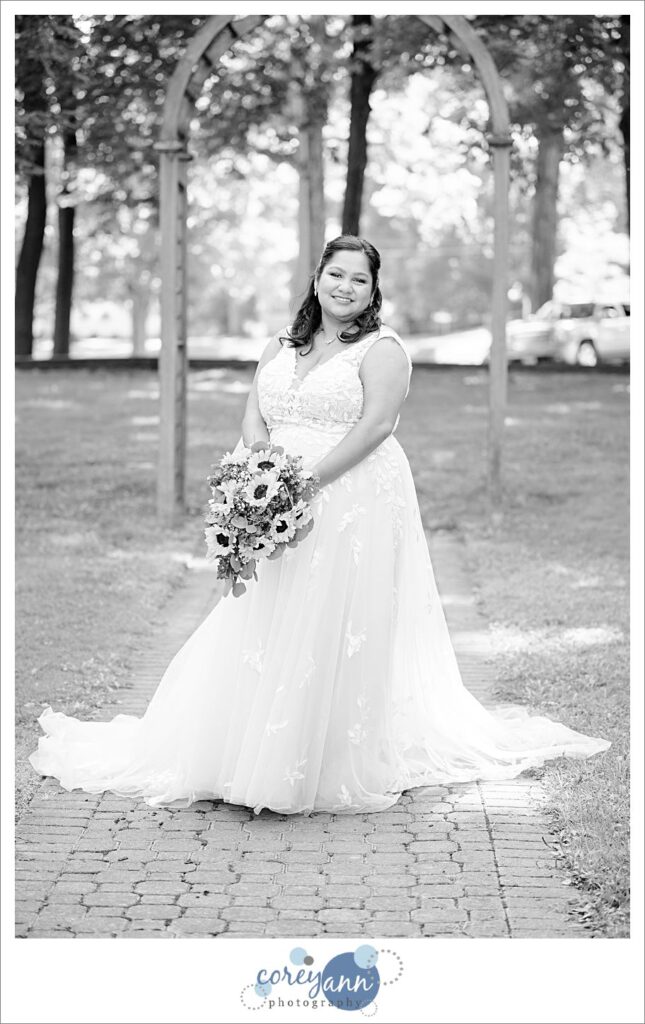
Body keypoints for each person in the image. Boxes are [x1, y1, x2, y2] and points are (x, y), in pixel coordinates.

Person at [29, 235, 611, 815]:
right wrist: (263, 468)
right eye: (336, 274)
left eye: (359, 280)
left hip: (352, 494)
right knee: (271, 610)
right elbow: (254, 408)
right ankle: (248, 743)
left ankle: (323, 752)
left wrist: (305, 483)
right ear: (317, 277)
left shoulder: (384, 350)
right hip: (275, 491)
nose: (345, 288)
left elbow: (378, 425)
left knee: (334, 613)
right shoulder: (281, 345)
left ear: (373, 290)